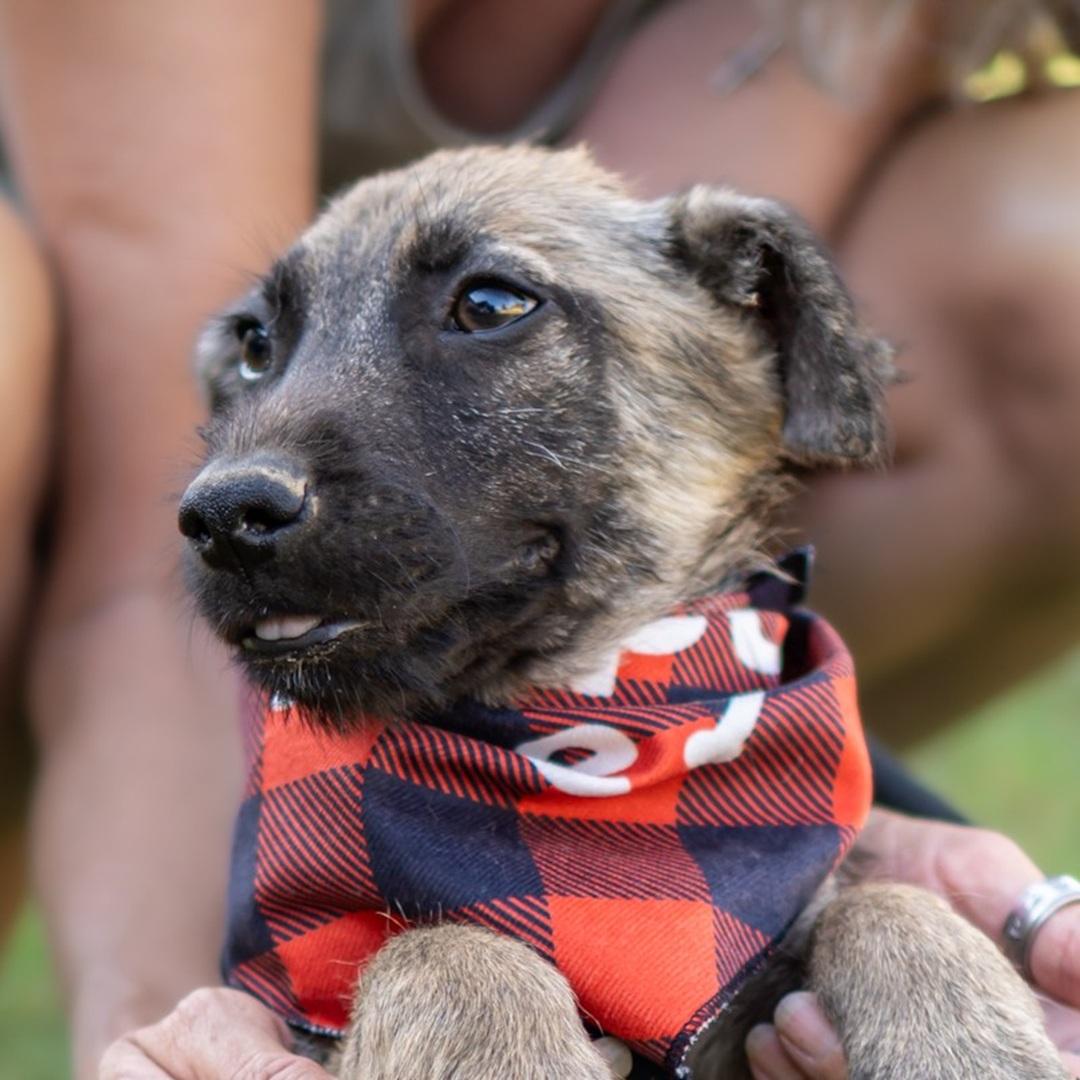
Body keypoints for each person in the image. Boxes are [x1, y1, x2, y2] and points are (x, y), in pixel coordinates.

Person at [0, 1, 1076, 1076]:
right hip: (56, 428)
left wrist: (840, 886)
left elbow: (653, 323)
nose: (235, 479)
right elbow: (127, 579)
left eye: (486, 306)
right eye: (256, 353)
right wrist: (154, 1030)